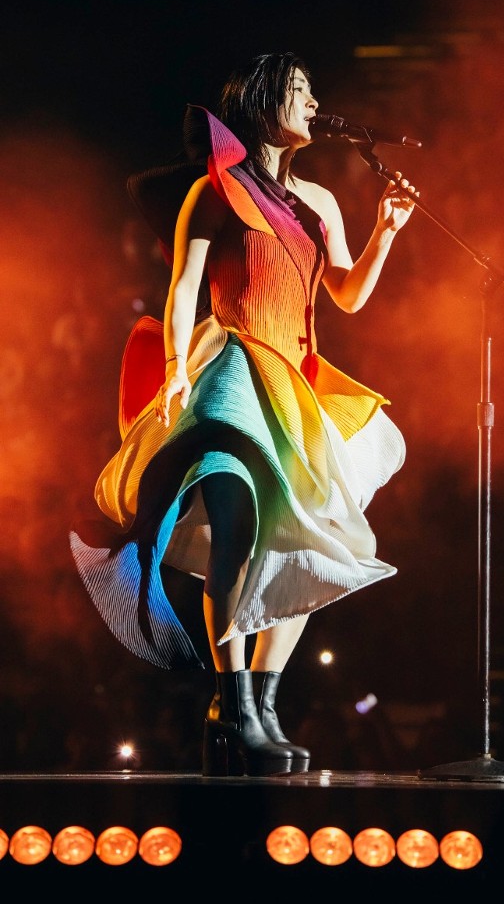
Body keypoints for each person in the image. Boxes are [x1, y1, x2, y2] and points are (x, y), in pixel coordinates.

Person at [70, 51, 417, 777]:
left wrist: (385, 232)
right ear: (263, 102)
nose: (314, 102)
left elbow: (347, 295)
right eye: (300, 89)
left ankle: (262, 705)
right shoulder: (216, 190)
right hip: (233, 370)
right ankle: (231, 707)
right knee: (236, 520)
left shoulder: (321, 202)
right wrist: (175, 368)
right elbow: (183, 287)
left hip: (296, 383)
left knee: (309, 541)